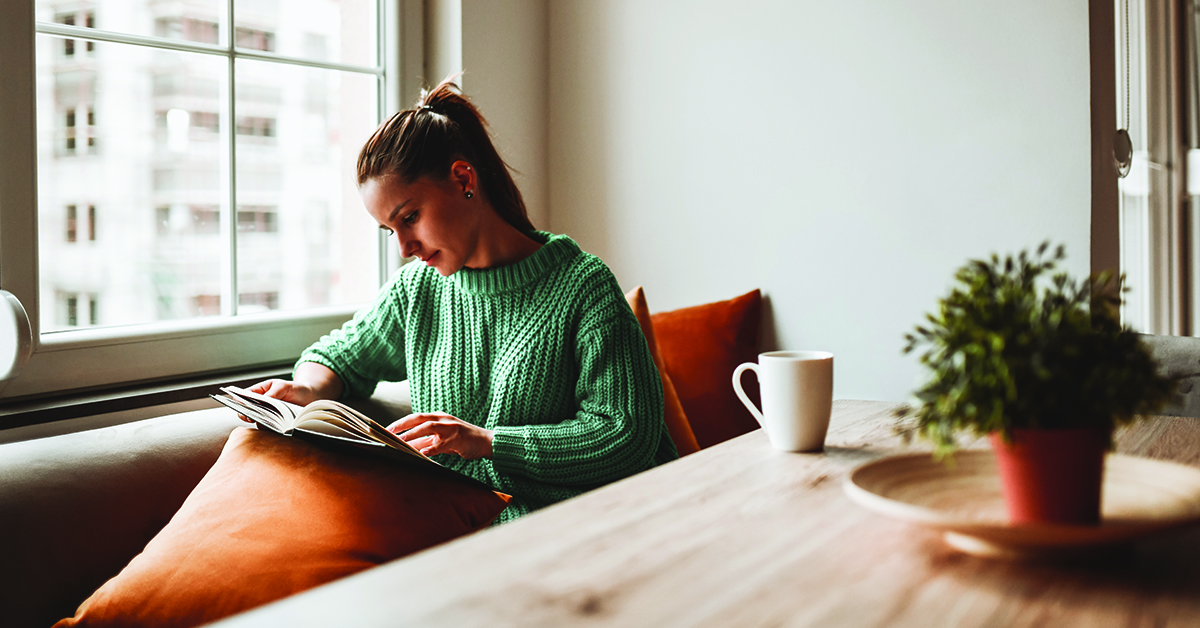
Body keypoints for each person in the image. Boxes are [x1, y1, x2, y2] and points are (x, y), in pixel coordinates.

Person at [249, 77, 678, 524]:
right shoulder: (417, 290)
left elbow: (626, 436)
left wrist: (487, 442)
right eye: (390, 231)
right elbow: (337, 356)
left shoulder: (582, 286)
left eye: (410, 218)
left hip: (603, 526)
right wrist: (310, 389)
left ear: (462, 178)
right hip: (472, 538)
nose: (404, 248)